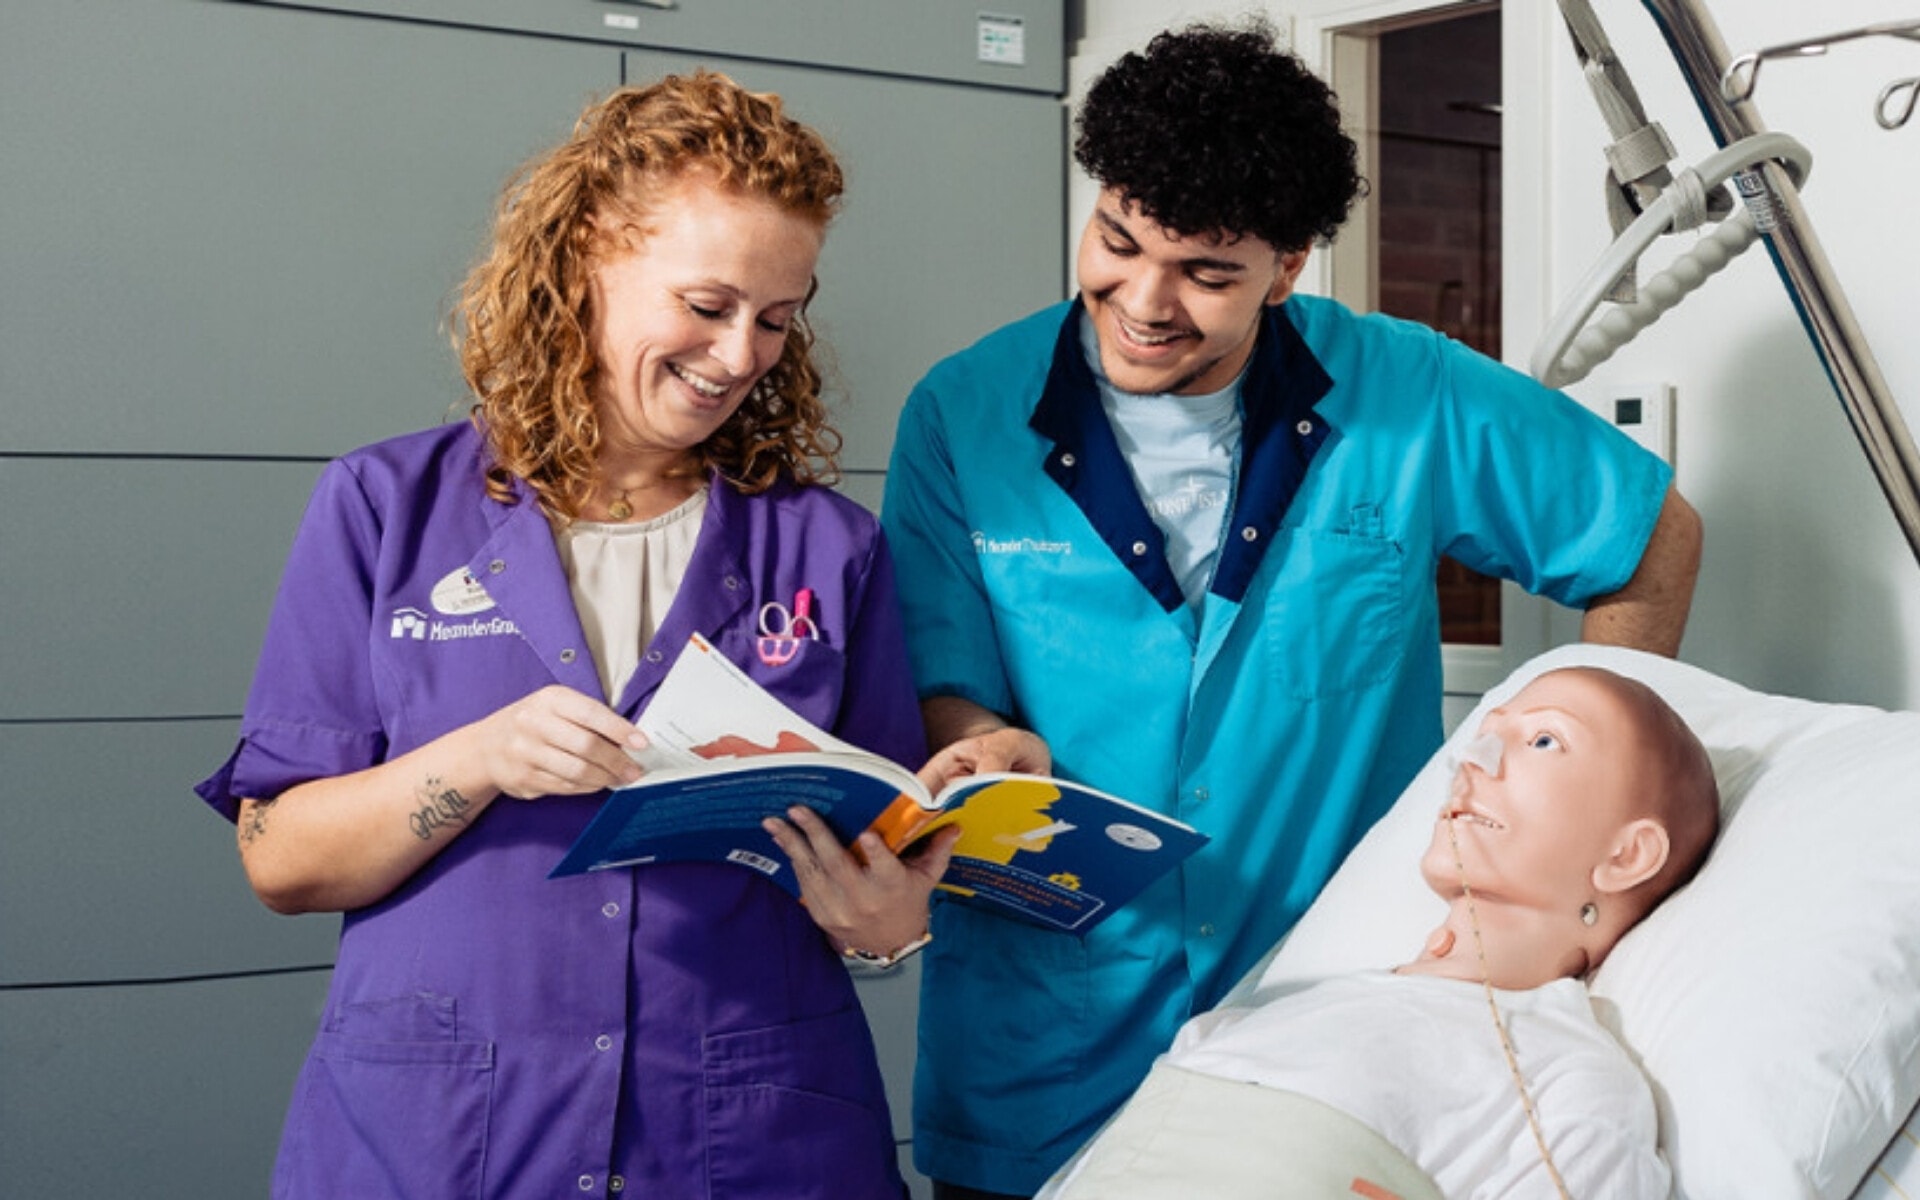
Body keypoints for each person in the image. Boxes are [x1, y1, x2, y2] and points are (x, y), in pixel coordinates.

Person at [880, 20, 1705, 1198]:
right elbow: (947, 678)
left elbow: (1650, 540)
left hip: (1328, 1041)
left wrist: (1584, 813)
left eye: (1208, 274)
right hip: (1046, 1046)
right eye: (1117, 241)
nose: (1143, 301)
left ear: (1289, 266)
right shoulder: (961, 413)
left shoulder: (1409, 393)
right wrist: (979, 742)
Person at [195, 71, 952, 1200]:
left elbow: (881, 849)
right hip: (440, 1141)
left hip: (744, 1142)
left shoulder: (829, 549)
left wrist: (890, 923)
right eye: (707, 305)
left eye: (776, 319)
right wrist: (477, 759)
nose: (739, 355)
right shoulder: (383, 508)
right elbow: (281, 861)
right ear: (587, 256)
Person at [1042, 666, 1720, 1200]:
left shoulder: (1570, 1083)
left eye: (1545, 741)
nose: (1477, 759)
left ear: (1628, 856)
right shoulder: (1262, 1019)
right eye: (1487, 733)